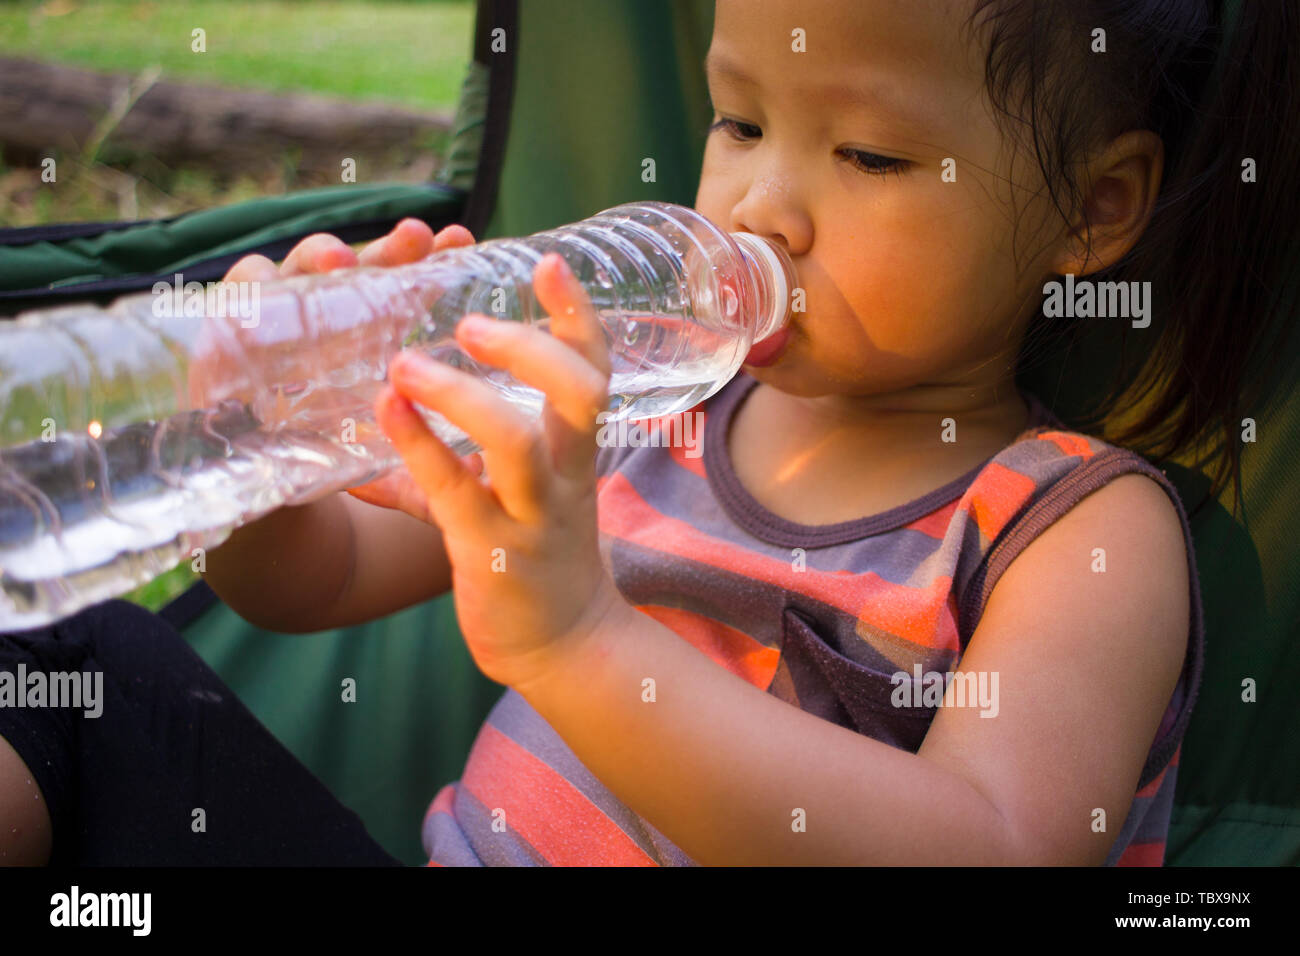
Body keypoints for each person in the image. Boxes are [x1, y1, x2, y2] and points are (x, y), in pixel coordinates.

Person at [2, 0, 1293, 865]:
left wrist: (578, 640)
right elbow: (314, 579)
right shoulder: (638, 398)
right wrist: (265, 434)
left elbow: (997, 843)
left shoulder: (1072, 530)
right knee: (47, 651)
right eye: (738, 123)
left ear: (1094, 209)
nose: (761, 208)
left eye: (874, 158)